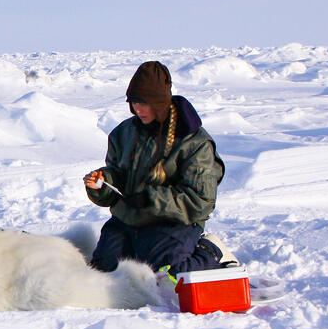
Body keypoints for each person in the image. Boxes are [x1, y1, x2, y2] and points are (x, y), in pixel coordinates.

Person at [83, 60, 236, 277]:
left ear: (159, 102)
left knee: (170, 275)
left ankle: (212, 250)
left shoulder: (194, 141)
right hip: (128, 221)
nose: (138, 109)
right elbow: (118, 177)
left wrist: (150, 199)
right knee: (104, 274)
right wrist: (102, 183)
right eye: (134, 102)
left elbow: (201, 200)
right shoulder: (123, 134)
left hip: (172, 223)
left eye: (144, 103)